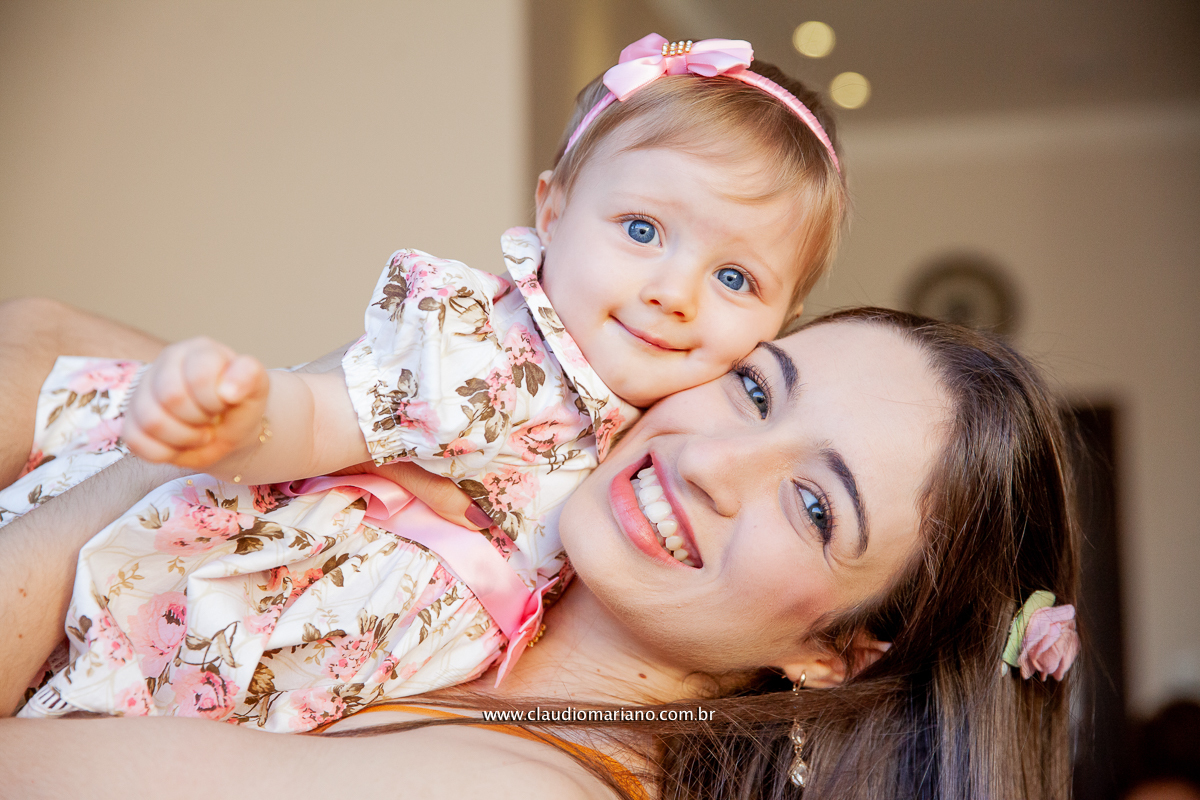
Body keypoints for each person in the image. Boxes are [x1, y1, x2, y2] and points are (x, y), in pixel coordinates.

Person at [0, 33, 848, 729]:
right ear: (552, 212)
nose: (676, 292)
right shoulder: (488, 347)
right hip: (226, 593)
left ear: (784, 319)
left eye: (735, 278)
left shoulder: (675, 435)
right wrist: (244, 417)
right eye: (641, 229)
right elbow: (321, 416)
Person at [0, 309, 1080, 799]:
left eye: (811, 504)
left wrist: (181, 462)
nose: (710, 458)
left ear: (837, 653)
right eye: (755, 388)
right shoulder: (458, 572)